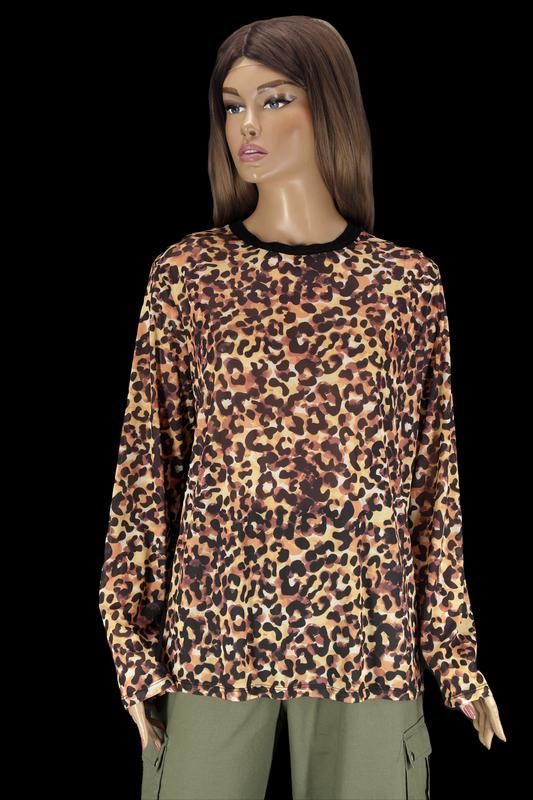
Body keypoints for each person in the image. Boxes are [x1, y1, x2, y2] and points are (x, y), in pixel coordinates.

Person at [98, 15, 506, 800]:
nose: (246, 126)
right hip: (215, 638)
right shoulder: (187, 277)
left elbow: (432, 485)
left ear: (330, 107)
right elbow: (146, 474)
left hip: (367, 639)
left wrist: (454, 658)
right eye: (232, 105)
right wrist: (133, 653)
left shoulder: (405, 285)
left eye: (274, 99)